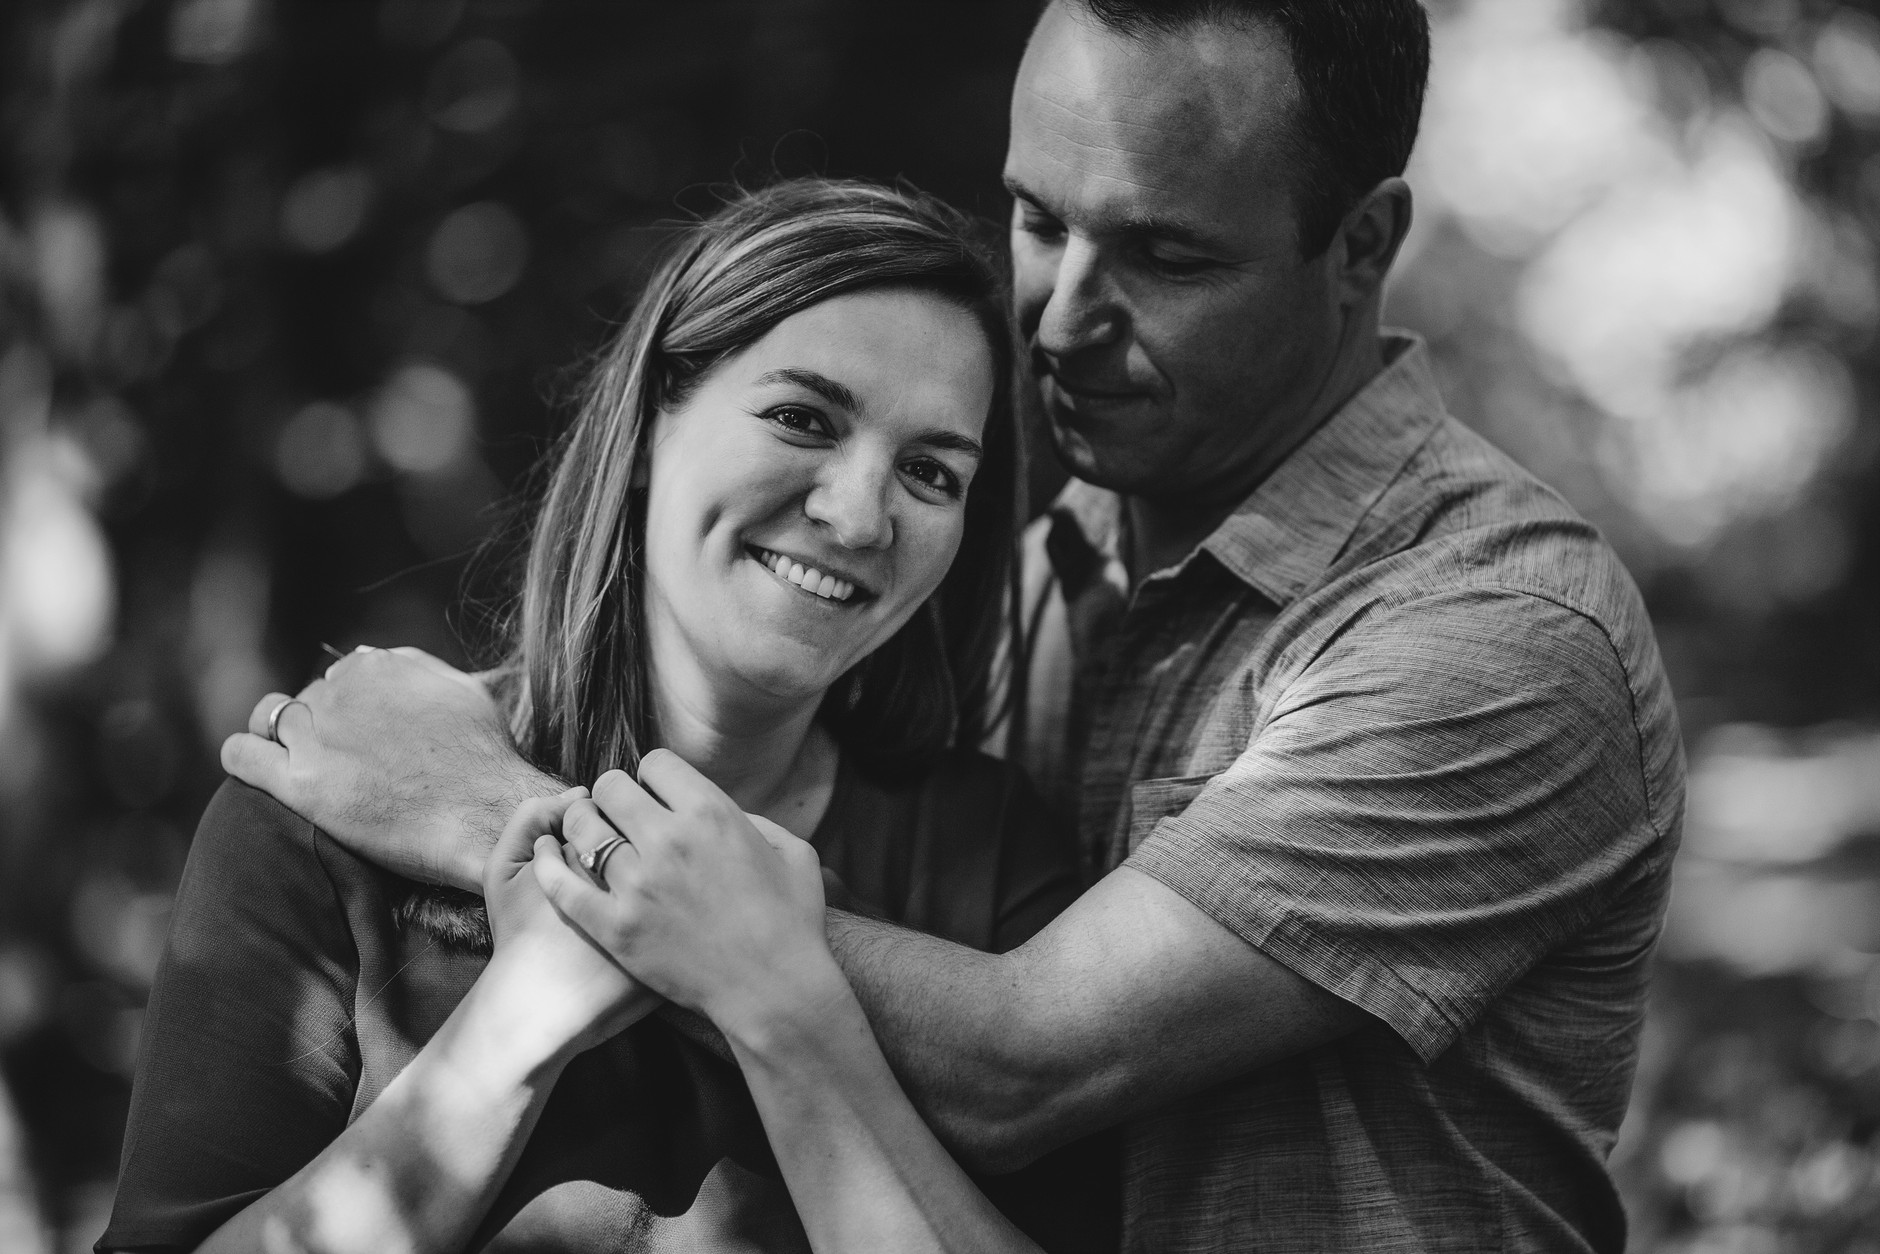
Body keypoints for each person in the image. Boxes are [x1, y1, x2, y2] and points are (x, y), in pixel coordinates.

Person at [214, 1, 1687, 1250]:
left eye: (1166, 257)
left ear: (1360, 247)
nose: (1057, 318)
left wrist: (501, 816)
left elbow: (1023, 1061)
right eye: (1039, 220)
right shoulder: (1029, 579)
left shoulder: (1491, 631)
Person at [101, 179, 1117, 1254]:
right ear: (642, 433)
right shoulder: (320, 809)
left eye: (929, 472)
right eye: (800, 418)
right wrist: (518, 1024)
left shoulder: (988, 855)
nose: (859, 515)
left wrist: (776, 996)